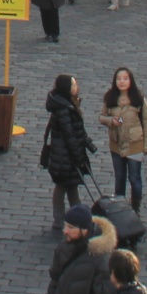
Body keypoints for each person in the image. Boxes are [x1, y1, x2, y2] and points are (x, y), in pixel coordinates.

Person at [43, 74, 96, 230]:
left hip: (66, 156)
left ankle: (76, 218)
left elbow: (77, 131)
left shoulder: (66, 105)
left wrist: (88, 144)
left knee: (71, 185)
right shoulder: (64, 109)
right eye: (73, 85)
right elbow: (70, 135)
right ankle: (60, 220)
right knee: (63, 186)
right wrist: (79, 157)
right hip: (64, 157)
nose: (76, 87)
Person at [97, 66, 147, 212]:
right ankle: (120, 208)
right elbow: (101, 117)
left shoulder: (138, 99)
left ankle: (136, 208)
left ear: (130, 80)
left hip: (135, 144)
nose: (122, 82)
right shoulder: (110, 97)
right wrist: (111, 121)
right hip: (116, 144)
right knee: (119, 177)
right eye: (119, 79)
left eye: (125, 79)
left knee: (135, 179)